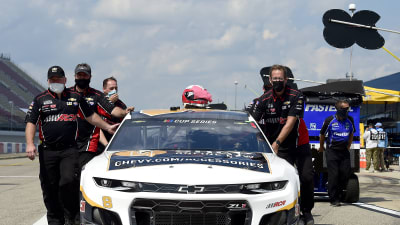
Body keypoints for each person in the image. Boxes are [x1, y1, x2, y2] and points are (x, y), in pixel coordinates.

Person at [25, 66, 118, 225]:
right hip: (48, 151)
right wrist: (29, 144)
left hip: (69, 150)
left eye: (58, 79)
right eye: (52, 80)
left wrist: (107, 127)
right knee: (49, 187)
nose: (55, 82)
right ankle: (55, 219)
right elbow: (30, 122)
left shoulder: (75, 97)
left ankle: (71, 217)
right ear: (48, 81)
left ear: (65, 80)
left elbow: (91, 116)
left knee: (68, 181)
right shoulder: (40, 99)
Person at [250, 65, 314, 224]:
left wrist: (276, 143)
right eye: (275, 79)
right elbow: (252, 124)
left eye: (280, 79)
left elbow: (290, 123)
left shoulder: (296, 95)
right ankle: (284, 211)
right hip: (277, 145)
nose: (277, 81)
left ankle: (306, 212)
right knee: (284, 178)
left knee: (306, 177)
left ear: (286, 80)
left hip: (299, 142)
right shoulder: (263, 99)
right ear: (270, 80)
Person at [68, 63, 134, 169]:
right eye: (79, 75)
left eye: (84, 75)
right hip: (69, 142)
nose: (82, 78)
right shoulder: (67, 94)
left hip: (89, 143)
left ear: (90, 77)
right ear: (75, 76)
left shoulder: (97, 95)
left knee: (82, 171)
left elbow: (114, 111)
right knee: (67, 177)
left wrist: (125, 112)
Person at [319, 100, 355, 207]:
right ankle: (334, 198)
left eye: (348, 108)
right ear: (338, 109)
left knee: (345, 174)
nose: (347, 110)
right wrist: (321, 147)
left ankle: (339, 194)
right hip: (332, 152)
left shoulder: (350, 120)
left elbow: (352, 133)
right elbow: (322, 134)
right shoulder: (329, 120)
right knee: (333, 176)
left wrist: (348, 146)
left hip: (344, 151)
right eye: (345, 108)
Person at [99, 76, 129, 143]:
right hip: (100, 142)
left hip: (116, 141)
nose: (114, 91)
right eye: (111, 88)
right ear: (104, 89)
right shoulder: (98, 101)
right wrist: (109, 103)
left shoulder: (121, 105)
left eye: (116, 88)